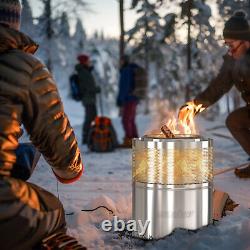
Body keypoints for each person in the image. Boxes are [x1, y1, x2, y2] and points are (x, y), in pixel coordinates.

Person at [0, 0, 84, 249]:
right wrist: (70, 169)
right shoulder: (22, 65)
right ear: (12, 20)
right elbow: (65, 160)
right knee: (52, 210)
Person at [178, 11, 250, 178]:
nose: (229, 50)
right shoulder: (233, 62)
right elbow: (218, 87)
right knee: (234, 120)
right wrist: (194, 106)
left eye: (232, 44)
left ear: (246, 41)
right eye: (227, 45)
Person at [75, 54, 101, 145]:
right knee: (90, 118)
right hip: (88, 99)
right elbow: (89, 87)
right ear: (84, 62)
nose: (89, 62)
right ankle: (86, 139)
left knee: (92, 117)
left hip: (89, 99)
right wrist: (97, 89)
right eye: (87, 60)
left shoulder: (84, 71)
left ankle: (90, 138)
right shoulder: (84, 72)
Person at [117, 55, 139, 147]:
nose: (120, 62)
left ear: (124, 61)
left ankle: (129, 141)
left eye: (121, 60)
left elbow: (124, 87)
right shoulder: (131, 70)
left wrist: (120, 99)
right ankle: (135, 139)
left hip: (129, 99)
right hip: (133, 99)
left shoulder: (126, 70)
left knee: (126, 120)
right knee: (131, 119)